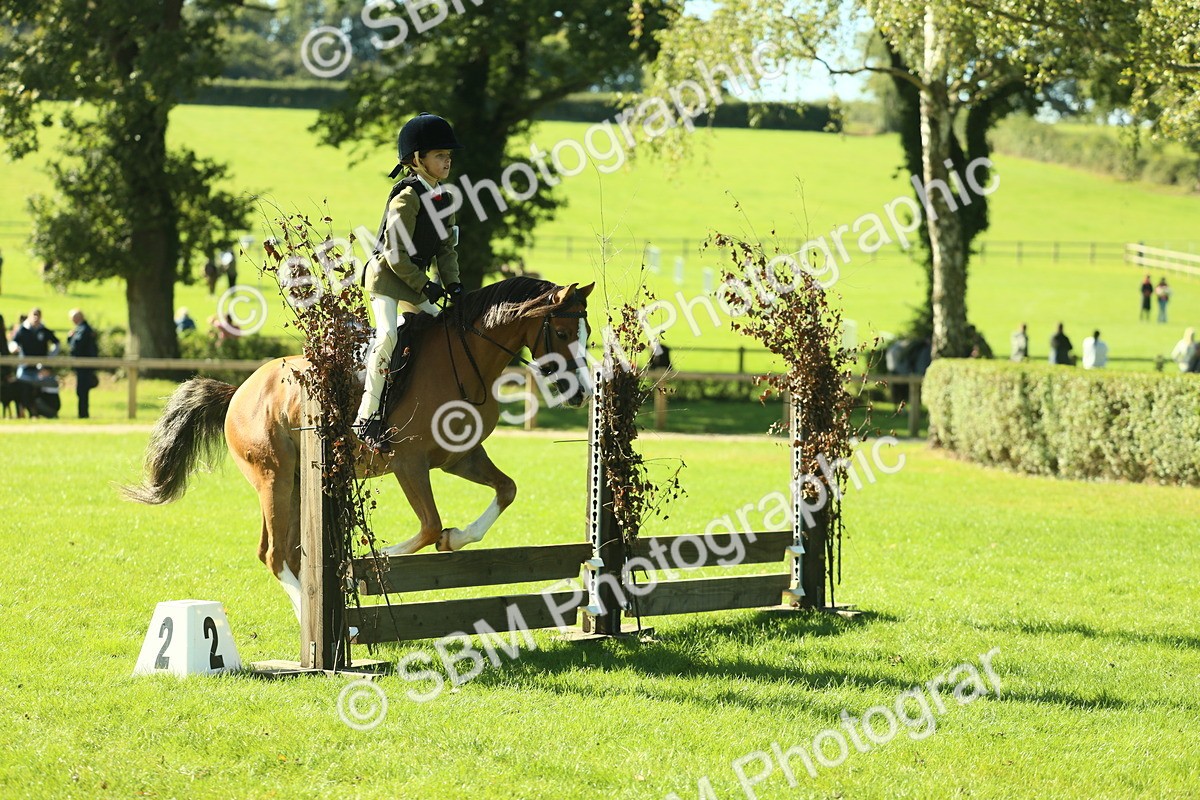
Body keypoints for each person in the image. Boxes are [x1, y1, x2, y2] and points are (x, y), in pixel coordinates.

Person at [353, 112, 465, 447]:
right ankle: (366, 418)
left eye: (448, 155)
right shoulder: (406, 197)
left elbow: (445, 249)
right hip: (387, 279)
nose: (447, 161)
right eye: (439, 156)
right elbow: (396, 256)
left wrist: (454, 284)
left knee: (444, 335)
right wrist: (426, 285)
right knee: (388, 335)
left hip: (414, 280)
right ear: (418, 159)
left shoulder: (445, 199)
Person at [9, 307, 60, 382]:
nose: (36, 317)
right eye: (34, 315)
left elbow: (57, 343)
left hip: (41, 367)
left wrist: (50, 356)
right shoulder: (22, 330)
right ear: (29, 316)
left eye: (38, 315)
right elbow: (14, 342)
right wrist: (14, 348)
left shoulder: (45, 331)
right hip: (25, 366)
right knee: (21, 384)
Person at [67, 309, 99, 418]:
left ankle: (83, 415)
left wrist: (70, 337)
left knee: (82, 391)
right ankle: (83, 414)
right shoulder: (84, 328)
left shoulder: (83, 329)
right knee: (82, 391)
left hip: (84, 366)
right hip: (85, 366)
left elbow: (76, 346)